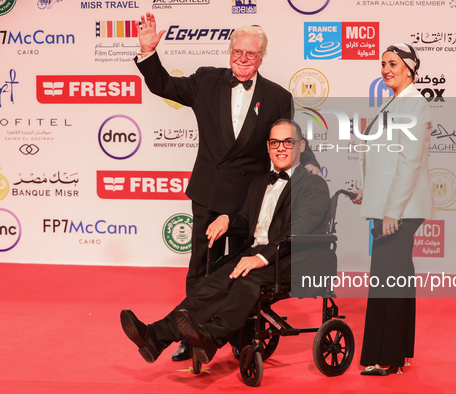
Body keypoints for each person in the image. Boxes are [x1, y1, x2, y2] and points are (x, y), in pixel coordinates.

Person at [133, 12, 320, 361]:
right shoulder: (207, 80)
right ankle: (188, 336)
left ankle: (237, 335)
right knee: (201, 265)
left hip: (248, 200)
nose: (242, 59)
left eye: (249, 54)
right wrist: (148, 54)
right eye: (237, 52)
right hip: (209, 192)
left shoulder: (277, 96)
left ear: (261, 57)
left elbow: (288, 140)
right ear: (229, 52)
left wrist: (312, 166)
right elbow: (165, 86)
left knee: (241, 268)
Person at [120, 119, 330, 371]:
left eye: (288, 142)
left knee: (246, 280)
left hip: (295, 258)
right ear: (268, 147)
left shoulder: (314, 185)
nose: (281, 148)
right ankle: (155, 336)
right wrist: (227, 218)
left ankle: (211, 336)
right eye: (275, 142)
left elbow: (299, 230)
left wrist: (260, 258)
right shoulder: (260, 183)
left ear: (300, 145)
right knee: (213, 282)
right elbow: (246, 219)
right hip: (256, 253)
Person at [351, 43, 434, 376]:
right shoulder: (399, 101)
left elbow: (410, 161)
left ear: (410, 68)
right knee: (397, 276)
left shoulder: (413, 103)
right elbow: (387, 158)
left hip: (400, 208)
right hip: (392, 203)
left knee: (385, 277)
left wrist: (392, 212)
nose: (386, 69)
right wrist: (366, 192)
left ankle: (383, 358)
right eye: (383, 63)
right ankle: (398, 352)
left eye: (393, 63)